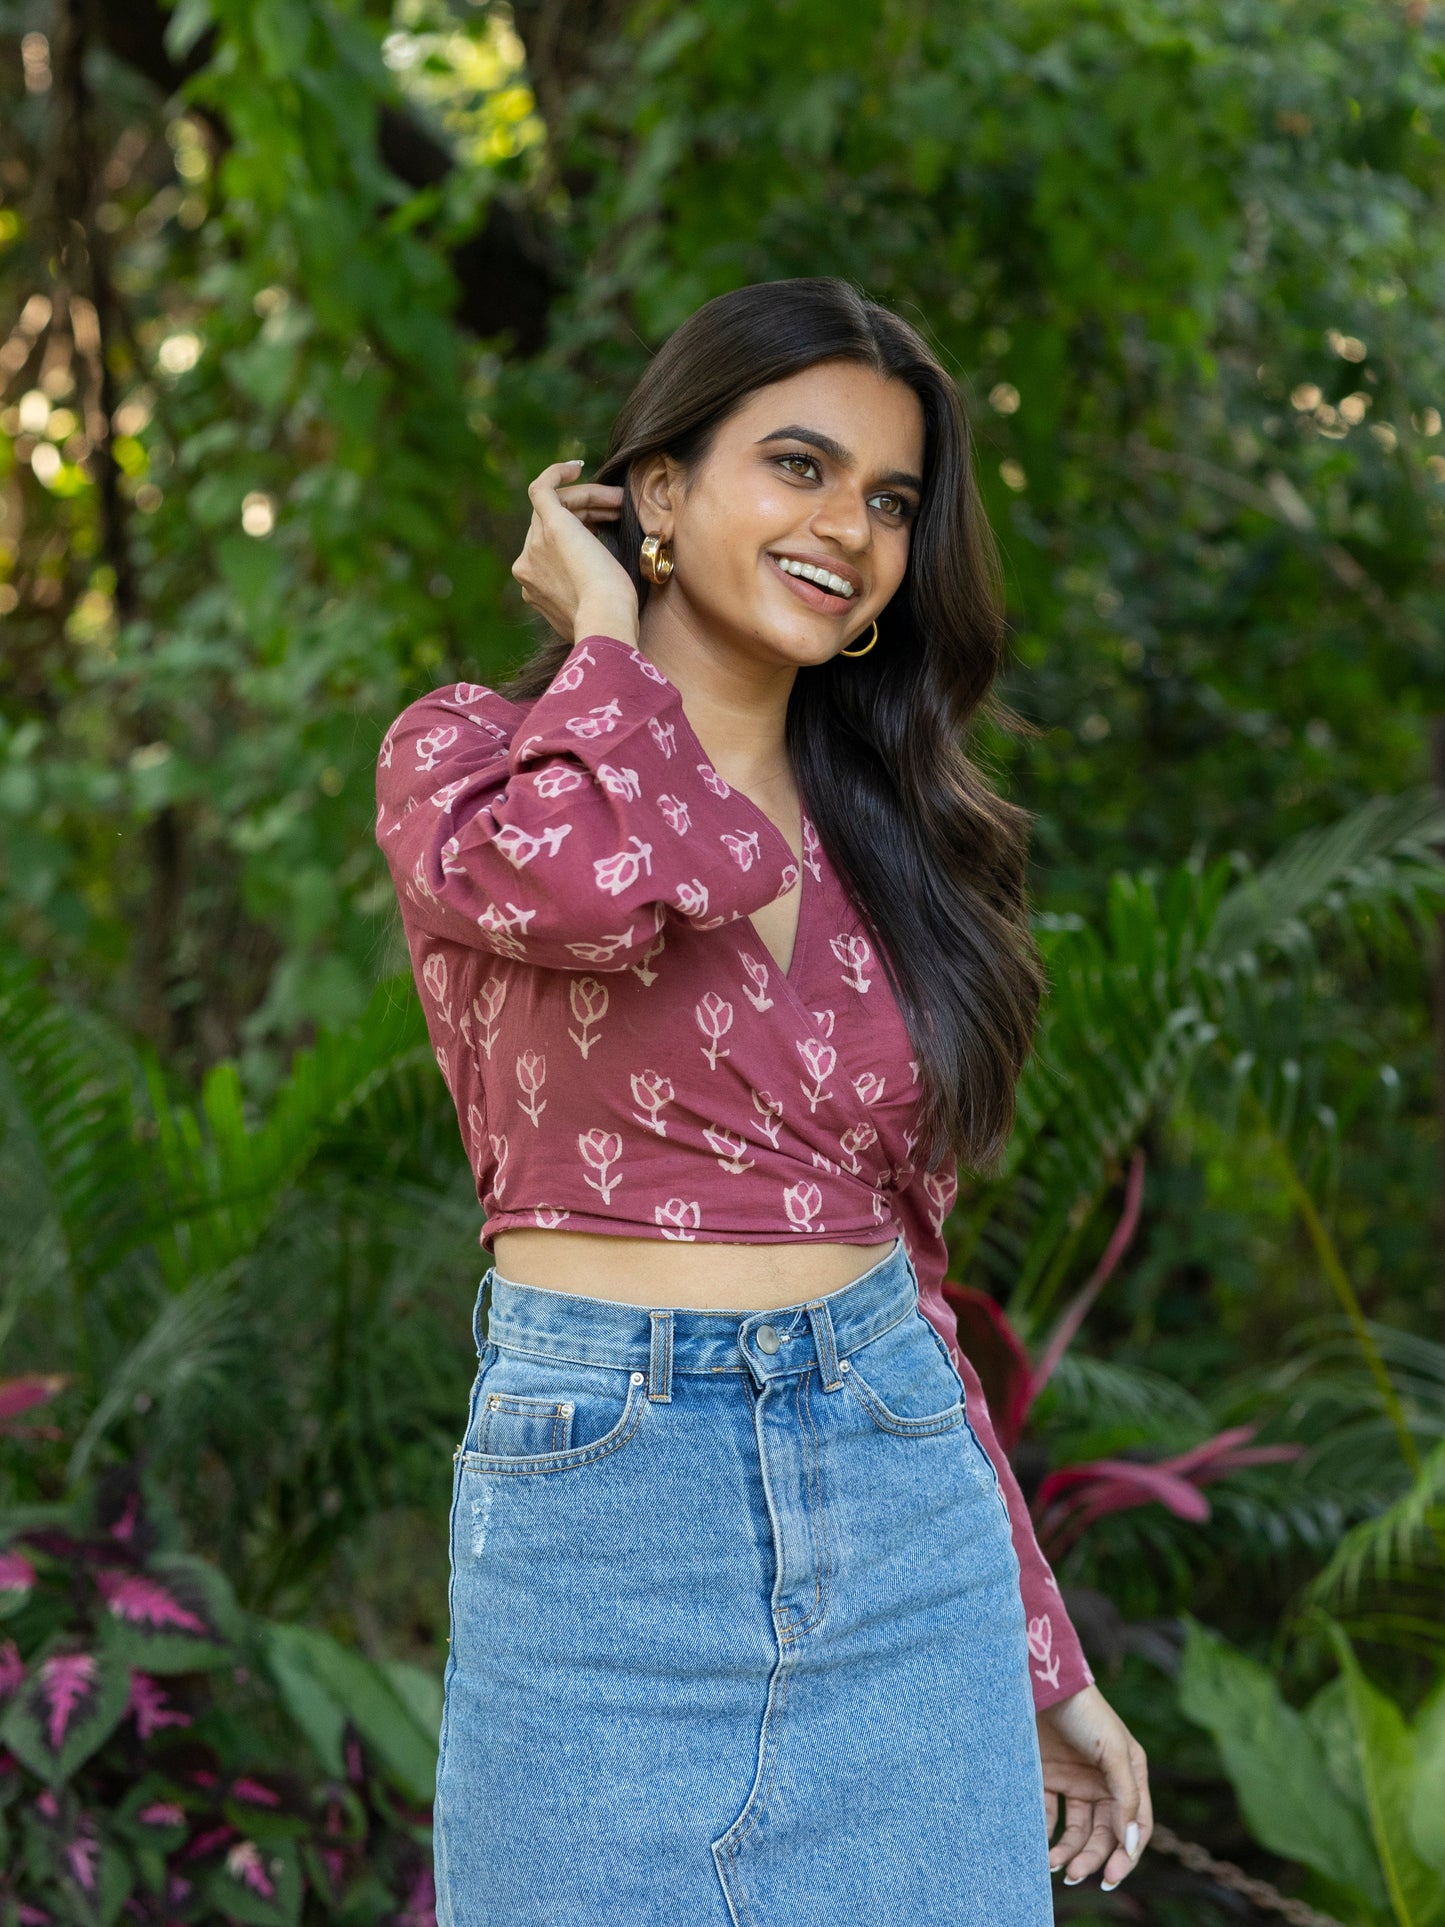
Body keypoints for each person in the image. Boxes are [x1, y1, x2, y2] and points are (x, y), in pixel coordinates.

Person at [375, 276, 1152, 1925]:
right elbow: (597, 890)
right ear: (655, 493)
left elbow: (911, 1288)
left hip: (900, 1525)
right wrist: (606, 644)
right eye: (798, 467)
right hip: (598, 1543)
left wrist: (1040, 1655)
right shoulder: (468, 763)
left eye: (891, 500)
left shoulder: (896, 849)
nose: (850, 529)